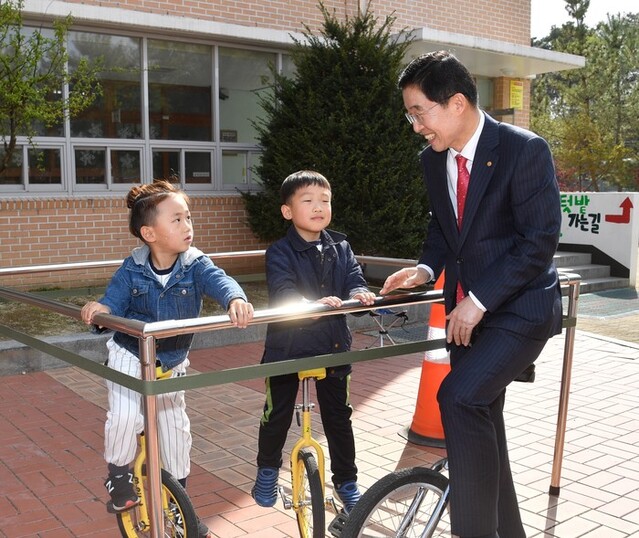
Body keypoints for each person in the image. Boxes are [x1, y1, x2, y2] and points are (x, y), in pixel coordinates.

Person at [380, 51, 563, 538]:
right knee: (485, 427)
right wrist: (422, 269)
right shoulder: (433, 159)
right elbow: (444, 226)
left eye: (419, 111)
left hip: (518, 310)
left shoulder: (524, 150)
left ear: (456, 102)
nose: (415, 125)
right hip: (467, 316)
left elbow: (538, 241)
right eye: (410, 114)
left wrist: (478, 299)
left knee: (459, 400)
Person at [81, 179, 254, 538]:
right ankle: (118, 476)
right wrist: (102, 308)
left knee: (177, 436)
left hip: (172, 360)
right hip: (131, 353)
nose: (187, 226)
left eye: (188, 217)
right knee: (125, 417)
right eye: (176, 220)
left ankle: (179, 506)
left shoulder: (195, 264)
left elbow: (221, 281)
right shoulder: (132, 269)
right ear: (149, 233)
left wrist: (235, 299)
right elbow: (112, 299)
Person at [251, 170, 376, 513]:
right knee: (276, 413)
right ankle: (266, 471)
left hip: (333, 345)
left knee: (339, 416)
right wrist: (306, 307)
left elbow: (354, 278)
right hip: (287, 348)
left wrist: (360, 294)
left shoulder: (341, 246)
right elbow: (283, 290)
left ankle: (346, 481)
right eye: (308, 201)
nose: (319, 207)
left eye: (325, 200)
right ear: (288, 211)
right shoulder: (279, 252)